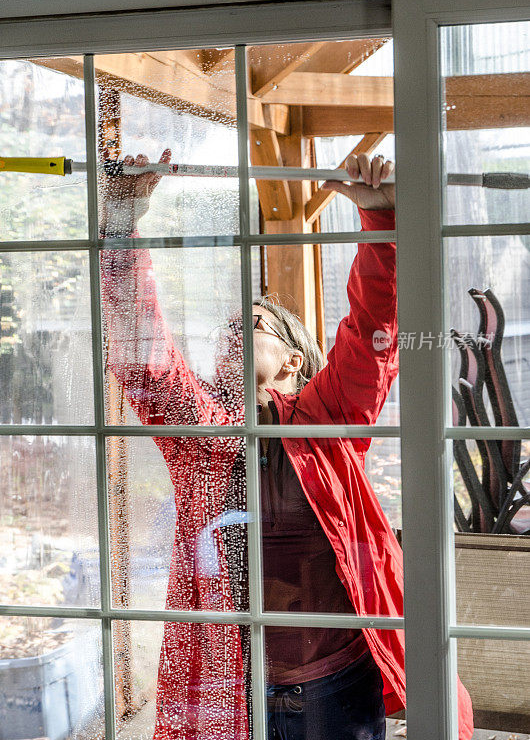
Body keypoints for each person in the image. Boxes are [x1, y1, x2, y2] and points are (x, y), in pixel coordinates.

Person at [99, 151, 474, 740]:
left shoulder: (332, 414)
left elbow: (375, 329)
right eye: (226, 331)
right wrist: (122, 220)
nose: (231, 336)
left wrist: (380, 219)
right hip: (231, 680)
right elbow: (144, 355)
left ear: (293, 359)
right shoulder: (201, 434)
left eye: (249, 326)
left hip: (337, 683)